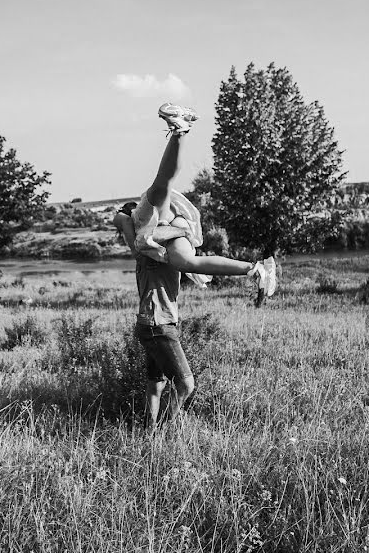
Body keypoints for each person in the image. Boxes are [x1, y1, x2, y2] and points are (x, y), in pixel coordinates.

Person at [113, 103, 277, 431]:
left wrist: (179, 230)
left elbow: (189, 257)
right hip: (158, 326)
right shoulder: (150, 245)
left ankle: (151, 434)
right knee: (185, 384)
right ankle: (169, 432)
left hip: (152, 324)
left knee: (156, 383)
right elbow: (188, 255)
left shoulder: (153, 248)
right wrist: (183, 229)